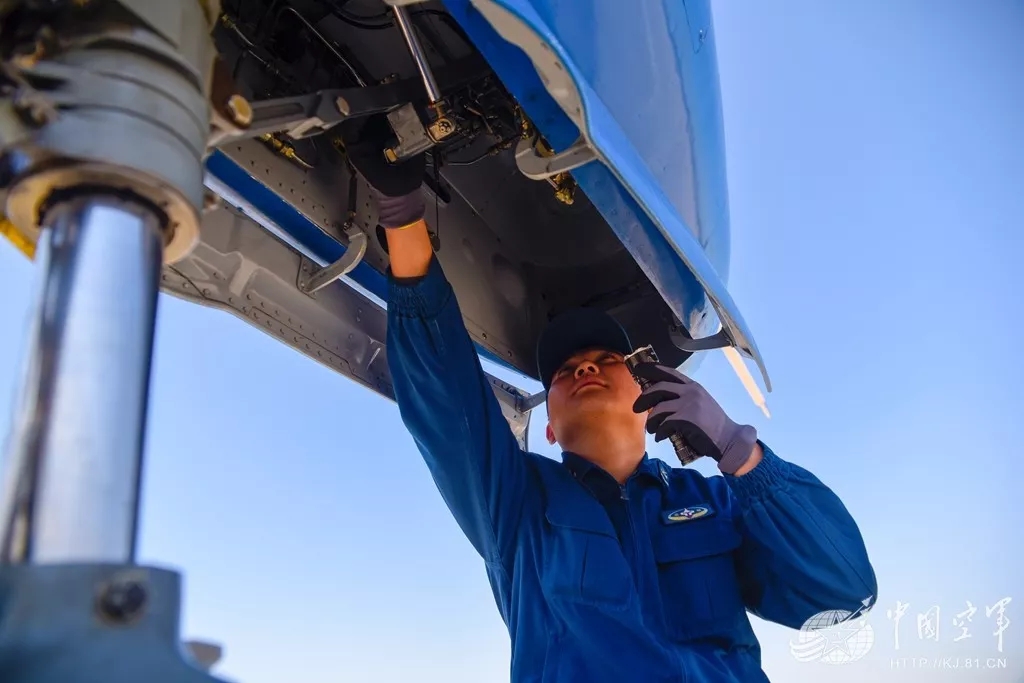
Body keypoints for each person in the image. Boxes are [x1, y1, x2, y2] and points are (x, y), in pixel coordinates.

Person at [341, 116, 877, 683]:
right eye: (567, 371)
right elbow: (447, 404)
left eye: (606, 361)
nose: (586, 368)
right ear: (548, 427)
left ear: (646, 396)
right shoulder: (518, 504)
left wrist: (737, 450)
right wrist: (402, 215)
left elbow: (841, 590)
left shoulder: (716, 502)